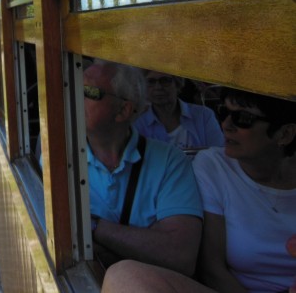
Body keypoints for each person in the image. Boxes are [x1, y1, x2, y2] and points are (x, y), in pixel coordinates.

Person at [101, 89, 296, 293]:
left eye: (243, 118)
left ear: (285, 133)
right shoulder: (214, 167)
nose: (226, 125)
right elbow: (212, 270)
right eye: (223, 113)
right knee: (124, 276)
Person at [84, 60, 203, 276]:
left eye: (89, 92)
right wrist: (144, 242)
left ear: (123, 110)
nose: (74, 98)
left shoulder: (170, 161)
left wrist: (93, 228)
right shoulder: (57, 158)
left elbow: (179, 256)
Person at [133, 70, 224, 152]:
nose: (158, 87)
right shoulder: (138, 123)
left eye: (165, 80)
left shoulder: (204, 116)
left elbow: (218, 154)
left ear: (177, 84)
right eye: (151, 81)